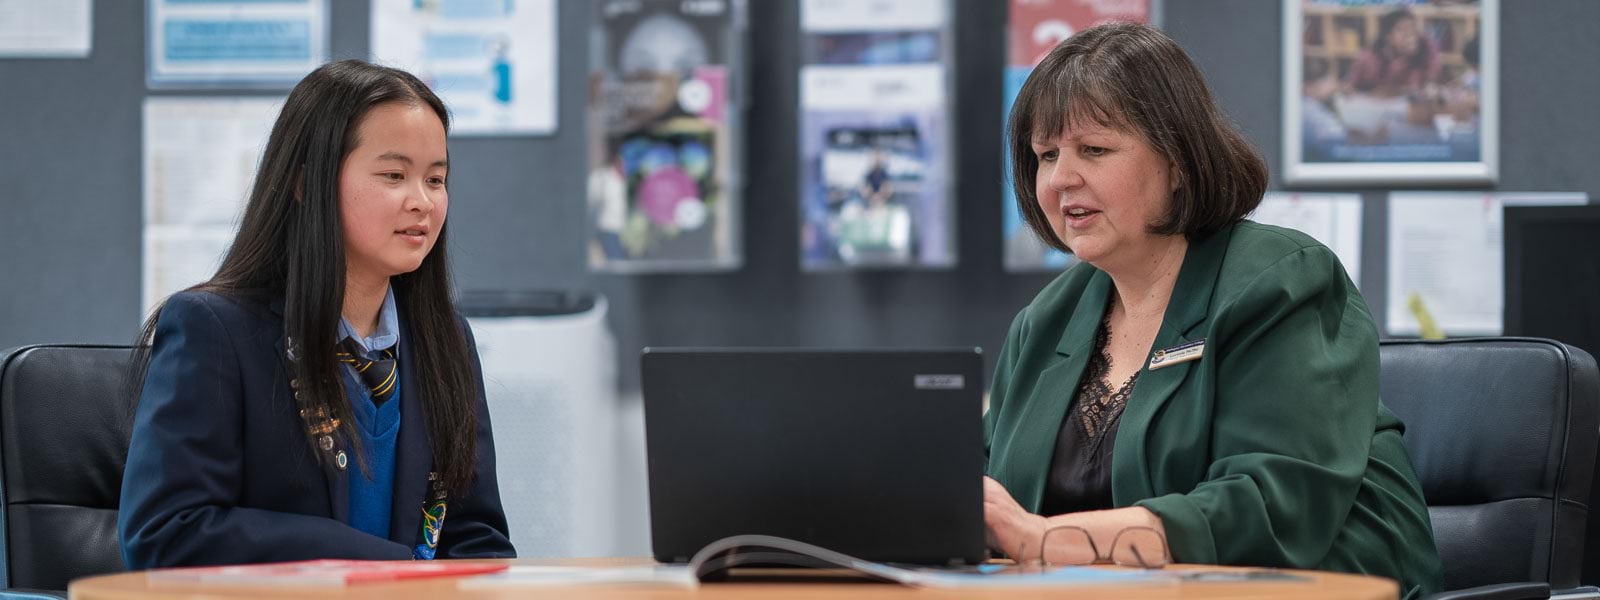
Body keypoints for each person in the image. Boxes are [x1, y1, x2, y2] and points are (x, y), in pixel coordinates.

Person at [987, 23, 1439, 598]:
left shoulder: (1279, 280)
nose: (1060, 179)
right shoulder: (1046, 320)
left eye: (1094, 149)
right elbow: (985, 493)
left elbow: (1266, 508)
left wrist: (1047, 541)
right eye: (1046, 155)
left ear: (1177, 162)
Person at [119, 60, 516, 567]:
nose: (423, 202)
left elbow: (477, 541)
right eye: (394, 175)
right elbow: (166, 535)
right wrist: (382, 566)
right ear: (307, 183)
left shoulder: (446, 341)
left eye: (436, 180)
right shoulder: (214, 329)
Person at [1345, 8, 1440, 98]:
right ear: (1388, 36)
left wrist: (1428, 84)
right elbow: (1352, 87)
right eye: (1401, 29)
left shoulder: (1424, 46)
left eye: (1412, 27)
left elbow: (1429, 77)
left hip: (1410, 104)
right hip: (1375, 104)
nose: (1409, 33)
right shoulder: (1370, 58)